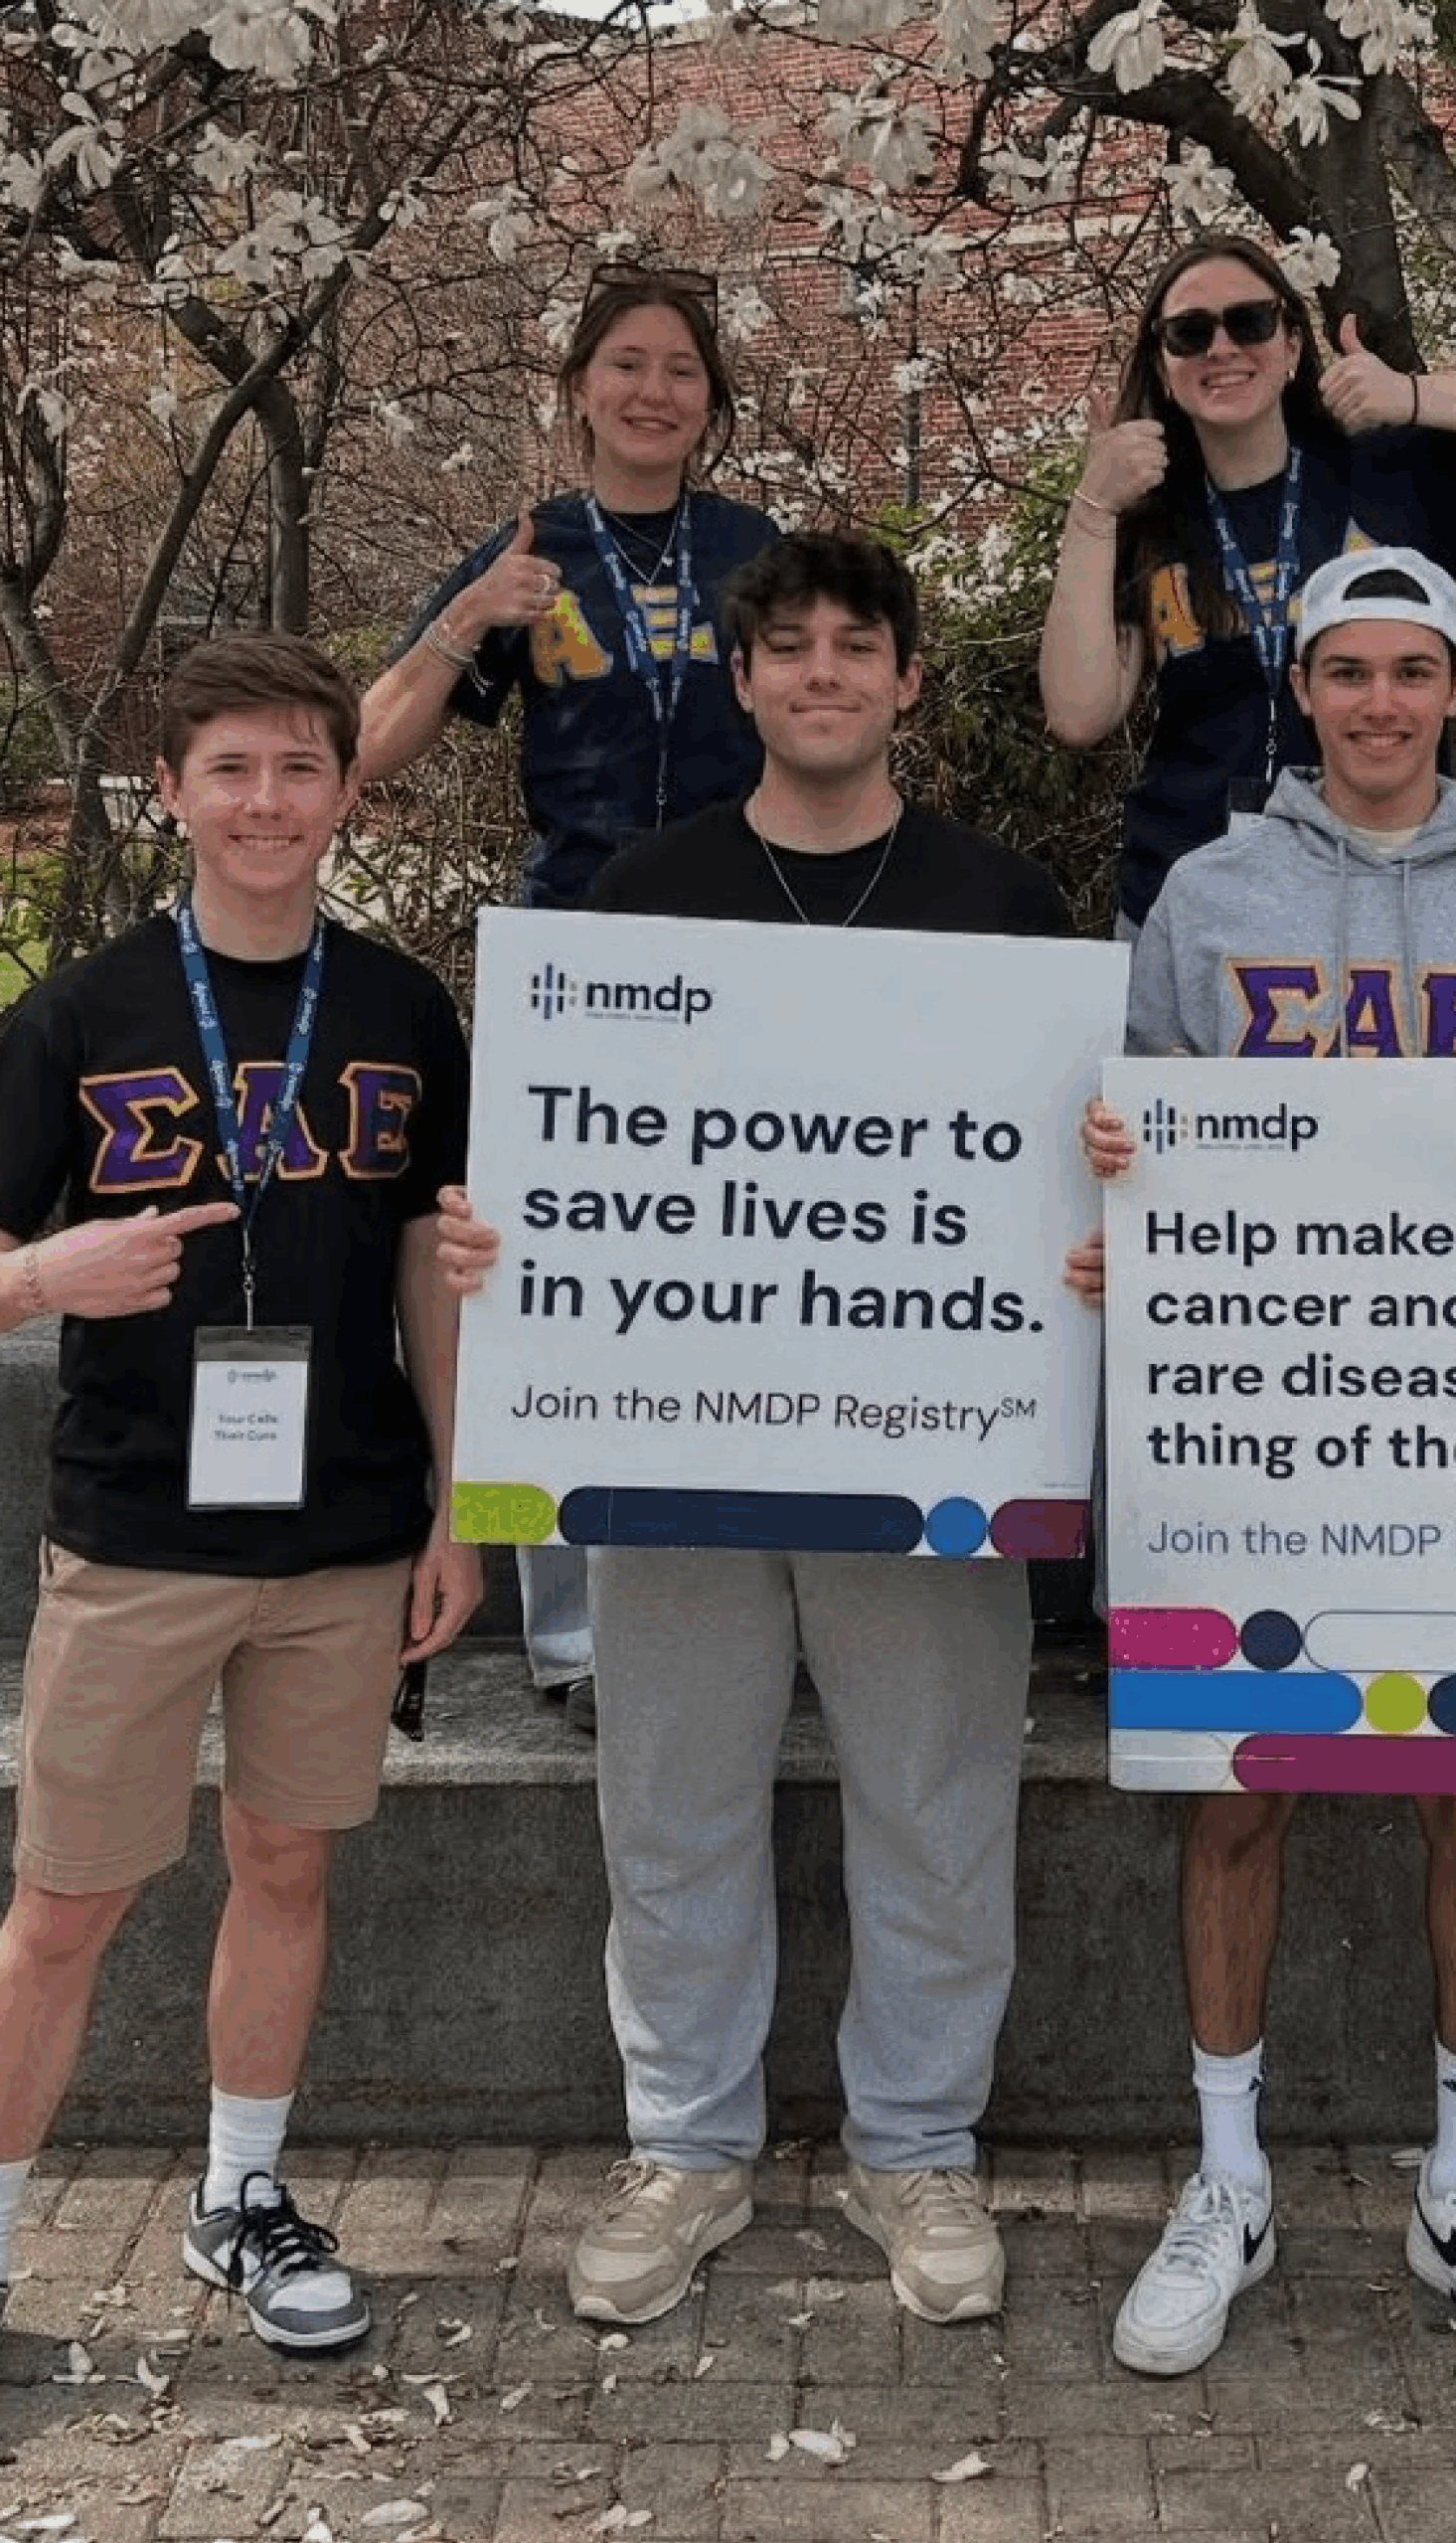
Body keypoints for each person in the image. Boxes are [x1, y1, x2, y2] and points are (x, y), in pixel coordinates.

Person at [0, 636, 478, 2479]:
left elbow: (431, 1270)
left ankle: (240, 2196)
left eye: (300, 768)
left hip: (347, 1529)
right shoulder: (91, 1006)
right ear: (176, 793)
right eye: (231, 770)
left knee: (285, 1865)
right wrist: (48, 1271)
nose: (267, 802)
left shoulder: (401, 1007)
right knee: (65, 1902)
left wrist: (461, 1507)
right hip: (136, 1530)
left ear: (345, 790)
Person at [439, 533, 1073, 2329]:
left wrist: (1093, 1203)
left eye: (855, 646)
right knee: (673, 1807)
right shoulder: (640, 893)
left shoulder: (1006, 905)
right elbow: (584, 1153)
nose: (821, 674)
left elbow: (1044, 1160)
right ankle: (687, 2146)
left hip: (930, 1446)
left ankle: (917, 2148)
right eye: (786, 647)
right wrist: (510, 1233)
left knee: (937, 1806)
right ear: (741, 681)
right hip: (679, 1443)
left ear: (908, 680)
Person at [1072, 547, 1456, 2386]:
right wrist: (1119, 1164)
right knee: (1238, 1791)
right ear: (1302, 689)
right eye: (1347, 671)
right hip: (1257, 1427)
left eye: (1412, 670)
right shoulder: (1208, 891)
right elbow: (1140, 1131)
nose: (1379, 703)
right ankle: (1227, 2177)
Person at [359, 264, 780, 1732]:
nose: (653, 390)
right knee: (552, 1284)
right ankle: (578, 1640)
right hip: (575, 952)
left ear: (713, 401)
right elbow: (367, 748)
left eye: (682, 369)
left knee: (723, 1270)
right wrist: (467, 617)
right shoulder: (529, 548)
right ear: (579, 387)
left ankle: (728, 1609)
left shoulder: (756, 550)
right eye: (627, 364)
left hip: (744, 945)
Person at [1039, 231, 1456, 934]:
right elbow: (1079, 714)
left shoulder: (1390, 474)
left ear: (1292, 344)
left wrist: (1414, 395)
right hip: (1184, 909)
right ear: (1162, 363)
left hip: (1378, 903)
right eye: (1189, 332)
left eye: (1250, 321)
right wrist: (1094, 507)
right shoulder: (1145, 514)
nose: (1221, 348)